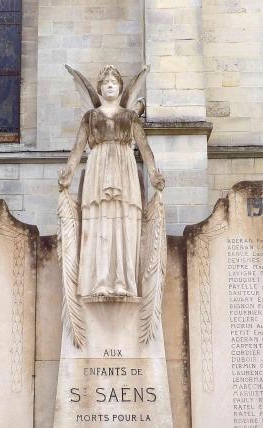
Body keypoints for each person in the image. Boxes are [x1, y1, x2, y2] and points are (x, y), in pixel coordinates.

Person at [58, 66, 165, 298]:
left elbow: (144, 148)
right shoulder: (91, 116)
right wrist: (68, 172)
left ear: (119, 88)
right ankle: (100, 281)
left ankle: (123, 281)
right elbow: (78, 147)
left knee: (125, 224)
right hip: (98, 167)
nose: (109, 85)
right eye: (105, 81)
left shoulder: (130, 117)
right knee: (99, 224)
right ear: (99, 88)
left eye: (114, 82)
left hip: (124, 167)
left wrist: (154, 173)